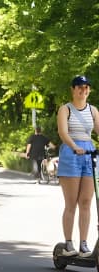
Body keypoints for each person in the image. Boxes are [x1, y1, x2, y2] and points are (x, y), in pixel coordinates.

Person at [57, 75, 99, 257]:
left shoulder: (93, 111)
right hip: (71, 153)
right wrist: (74, 147)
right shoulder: (65, 109)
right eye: (80, 87)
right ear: (73, 89)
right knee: (71, 203)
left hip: (89, 153)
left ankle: (83, 244)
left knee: (86, 202)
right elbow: (63, 132)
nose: (83, 90)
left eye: (86, 87)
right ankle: (68, 243)